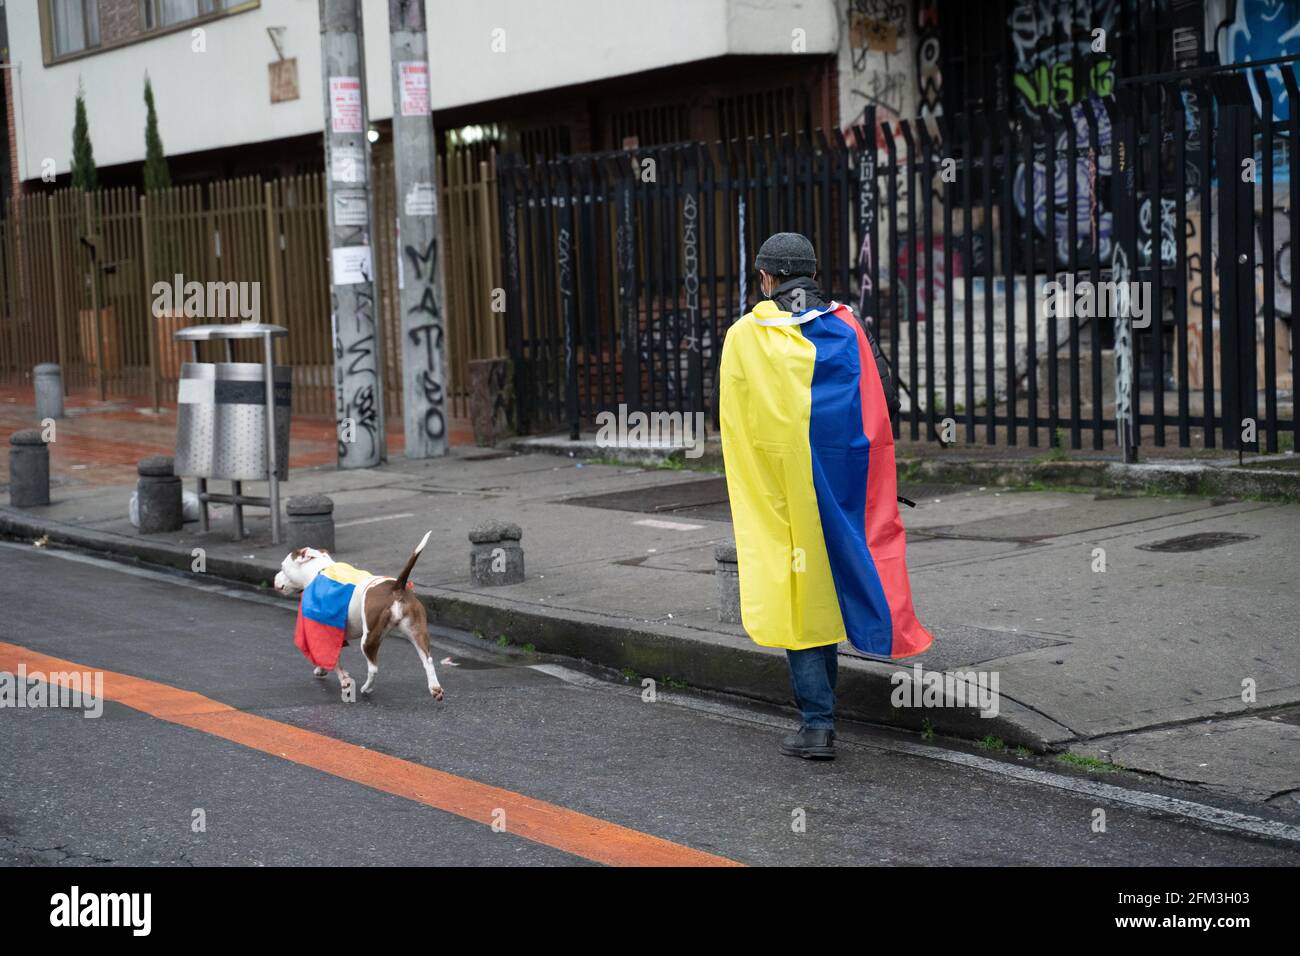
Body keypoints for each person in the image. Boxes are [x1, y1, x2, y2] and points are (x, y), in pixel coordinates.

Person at [718, 232, 932, 760]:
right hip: (846, 486)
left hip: (784, 493)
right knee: (850, 575)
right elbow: (881, 395)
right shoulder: (847, 324)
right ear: (812, 275)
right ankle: (824, 712)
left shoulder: (746, 335)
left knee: (801, 597)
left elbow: (731, 414)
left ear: (767, 278)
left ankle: (817, 724)